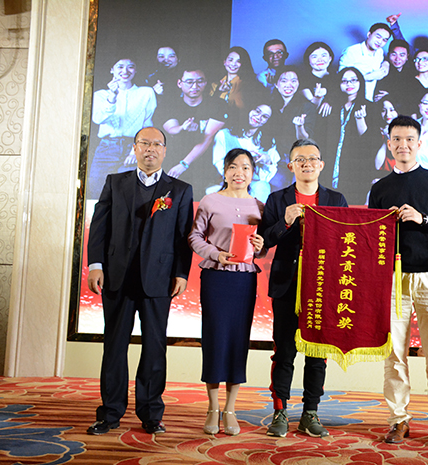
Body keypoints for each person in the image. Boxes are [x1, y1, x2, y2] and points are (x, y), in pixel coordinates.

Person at [86, 126, 194, 436]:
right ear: (134, 148)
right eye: (144, 143)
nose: (150, 149)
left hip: (158, 280)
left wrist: (181, 273)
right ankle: (110, 413)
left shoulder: (180, 190)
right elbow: (100, 227)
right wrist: (96, 265)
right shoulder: (115, 182)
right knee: (114, 347)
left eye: (156, 144)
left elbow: (183, 237)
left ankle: (151, 413)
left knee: (154, 348)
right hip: (117, 278)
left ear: (164, 150)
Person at [368, 116, 428, 448]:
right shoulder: (380, 188)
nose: (402, 145)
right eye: (396, 139)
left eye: (409, 139)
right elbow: (371, 236)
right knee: (394, 354)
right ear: (389, 143)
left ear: (419, 144)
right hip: (392, 280)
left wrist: (422, 219)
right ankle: (398, 419)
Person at [259, 138, 348, 438]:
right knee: (284, 351)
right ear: (291, 166)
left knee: (317, 353)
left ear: (321, 165)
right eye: (300, 159)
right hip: (286, 284)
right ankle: (280, 411)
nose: (307, 164)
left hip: (322, 287)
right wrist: (285, 222)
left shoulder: (335, 200)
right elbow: (265, 241)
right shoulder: (277, 199)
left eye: (312, 159)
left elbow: (345, 241)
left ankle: (311, 412)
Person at [188, 148, 265, 436]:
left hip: (244, 281)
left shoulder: (259, 206)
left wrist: (261, 246)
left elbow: (262, 247)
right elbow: (195, 236)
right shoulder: (211, 200)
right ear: (224, 171)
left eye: (245, 167)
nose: (239, 173)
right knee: (215, 338)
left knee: (237, 341)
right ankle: (212, 407)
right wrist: (215, 254)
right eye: (233, 167)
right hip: (216, 278)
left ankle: (230, 408)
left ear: (253, 173)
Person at [89, 58, 156, 200]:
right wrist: (112, 97)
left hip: (133, 147)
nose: (125, 71)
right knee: (96, 189)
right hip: (107, 147)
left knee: (129, 195)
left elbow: (147, 125)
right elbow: (98, 119)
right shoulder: (101, 95)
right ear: (112, 70)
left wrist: (135, 151)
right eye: (120, 67)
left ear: (136, 70)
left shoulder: (146, 92)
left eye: (130, 67)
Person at [158, 67, 226, 199]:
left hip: (203, 164)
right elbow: (171, 129)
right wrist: (182, 128)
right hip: (173, 159)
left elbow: (207, 137)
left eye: (200, 81)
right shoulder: (169, 104)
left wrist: (184, 164)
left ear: (205, 83)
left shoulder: (218, 104)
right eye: (189, 82)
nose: (195, 86)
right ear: (180, 83)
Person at [317, 67, 373, 204]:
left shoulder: (369, 106)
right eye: (344, 81)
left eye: (353, 80)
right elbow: (320, 135)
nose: (349, 84)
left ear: (360, 82)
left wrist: (360, 119)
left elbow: (367, 140)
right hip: (330, 162)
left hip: (355, 166)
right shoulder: (332, 105)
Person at [212, 102, 279, 203]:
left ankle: (256, 213)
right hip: (229, 183)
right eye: (257, 111)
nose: (258, 117)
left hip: (253, 184)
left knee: (262, 186)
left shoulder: (268, 142)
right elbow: (218, 162)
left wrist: (268, 161)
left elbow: (265, 178)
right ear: (249, 109)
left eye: (264, 117)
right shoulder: (224, 134)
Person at [267, 66, 318, 190]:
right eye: (284, 81)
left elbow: (305, 139)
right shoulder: (271, 105)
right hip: (276, 158)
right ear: (276, 84)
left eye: (293, 81)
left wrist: (299, 126)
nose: (289, 85)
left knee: (298, 194)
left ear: (298, 84)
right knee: (276, 192)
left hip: (299, 159)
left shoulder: (306, 106)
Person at [339, 22, 392, 101]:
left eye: (384, 40)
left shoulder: (379, 52)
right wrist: (369, 77)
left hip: (369, 99)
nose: (380, 42)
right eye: (378, 37)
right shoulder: (351, 51)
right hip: (352, 100)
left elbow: (384, 61)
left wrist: (386, 64)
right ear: (369, 34)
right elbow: (340, 79)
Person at [209, 47, 261, 120]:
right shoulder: (215, 84)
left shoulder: (250, 85)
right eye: (230, 60)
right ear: (224, 62)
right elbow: (209, 107)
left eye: (238, 61)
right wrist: (218, 92)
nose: (233, 64)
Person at [300, 42, 337, 110]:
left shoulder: (338, 78)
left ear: (330, 58)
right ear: (308, 60)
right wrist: (318, 98)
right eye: (314, 57)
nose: (320, 60)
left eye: (323, 55)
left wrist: (330, 102)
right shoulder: (302, 80)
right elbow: (311, 108)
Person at [374, 39, 412, 104]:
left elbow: (412, 98)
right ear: (388, 55)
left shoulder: (411, 74)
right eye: (394, 54)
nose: (397, 59)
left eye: (402, 55)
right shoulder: (382, 72)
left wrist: (390, 95)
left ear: (407, 57)